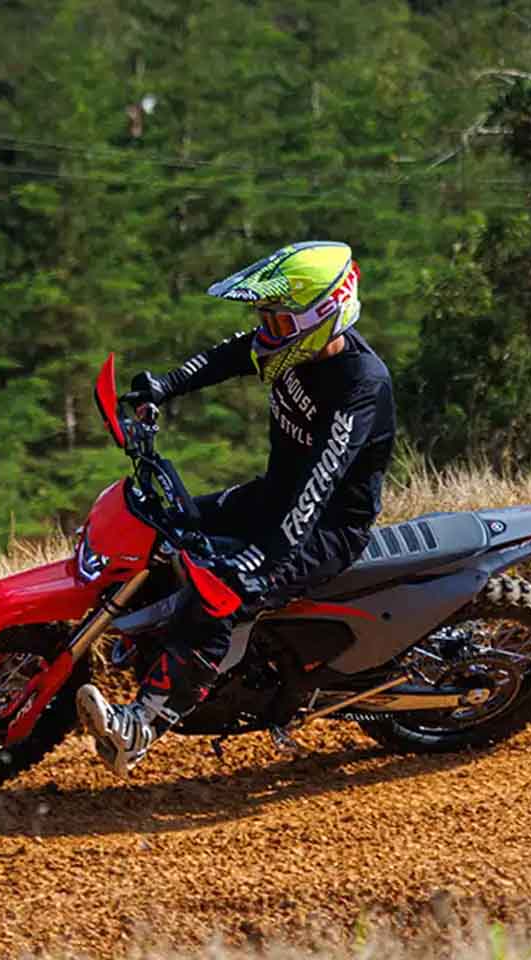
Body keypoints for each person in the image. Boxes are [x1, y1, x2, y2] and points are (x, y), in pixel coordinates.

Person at [76, 240, 396, 776]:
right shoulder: (291, 346)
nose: (265, 331)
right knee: (167, 528)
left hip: (325, 528)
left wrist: (262, 557)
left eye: (277, 319)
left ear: (320, 316)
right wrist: (166, 386)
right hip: (275, 497)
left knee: (222, 592)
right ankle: (152, 642)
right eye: (264, 318)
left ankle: (142, 726)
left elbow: (319, 483)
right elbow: (232, 354)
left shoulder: (360, 385)